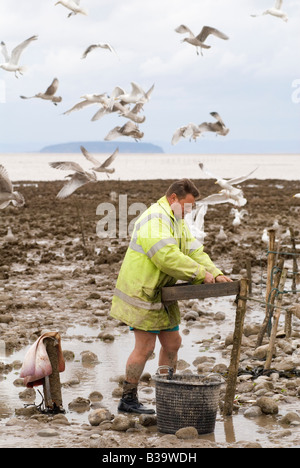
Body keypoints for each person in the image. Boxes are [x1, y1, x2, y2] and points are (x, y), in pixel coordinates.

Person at [110, 179, 232, 414]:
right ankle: (128, 399)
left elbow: (194, 250)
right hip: (142, 290)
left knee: (173, 343)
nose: (189, 211)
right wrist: (200, 274)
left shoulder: (177, 221)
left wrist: (215, 273)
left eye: (192, 208)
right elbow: (167, 257)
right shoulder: (154, 219)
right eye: (187, 206)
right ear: (173, 198)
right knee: (145, 347)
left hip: (163, 292)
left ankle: (166, 392)